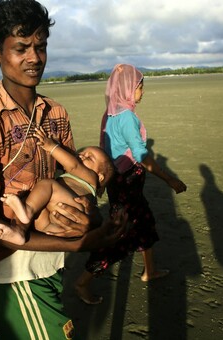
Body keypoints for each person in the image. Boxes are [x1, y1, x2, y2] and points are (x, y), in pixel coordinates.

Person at [0, 1, 125, 339]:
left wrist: (88, 222)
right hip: (15, 263)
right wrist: (82, 244)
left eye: (41, 46)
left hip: (51, 254)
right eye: (21, 48)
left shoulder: (56, 112)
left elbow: (74, 183)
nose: (34, 57)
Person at [75, 63, 188, 305]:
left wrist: (104, 182)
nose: (142, 91)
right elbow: (141, 156)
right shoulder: (126, 118)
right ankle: (83, 282)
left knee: (145, 224)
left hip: (119, 183)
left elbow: (104, 150)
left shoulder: (109, 114)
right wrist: (170, 179)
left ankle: (150, 271)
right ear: (128, 88)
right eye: (140, 86)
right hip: (127, 185)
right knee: (117, 236)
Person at [0, 126, 115, 245]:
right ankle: (19, 231)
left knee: (48, 184)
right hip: (56, 220)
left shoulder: (91, 177)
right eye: (81, 153)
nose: (81, 156)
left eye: (89, 158)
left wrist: (51, 147)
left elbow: (73, 165)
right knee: (35, 204)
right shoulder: (73, 175)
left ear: (100, 177)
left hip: (73, 206)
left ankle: (27, 211)